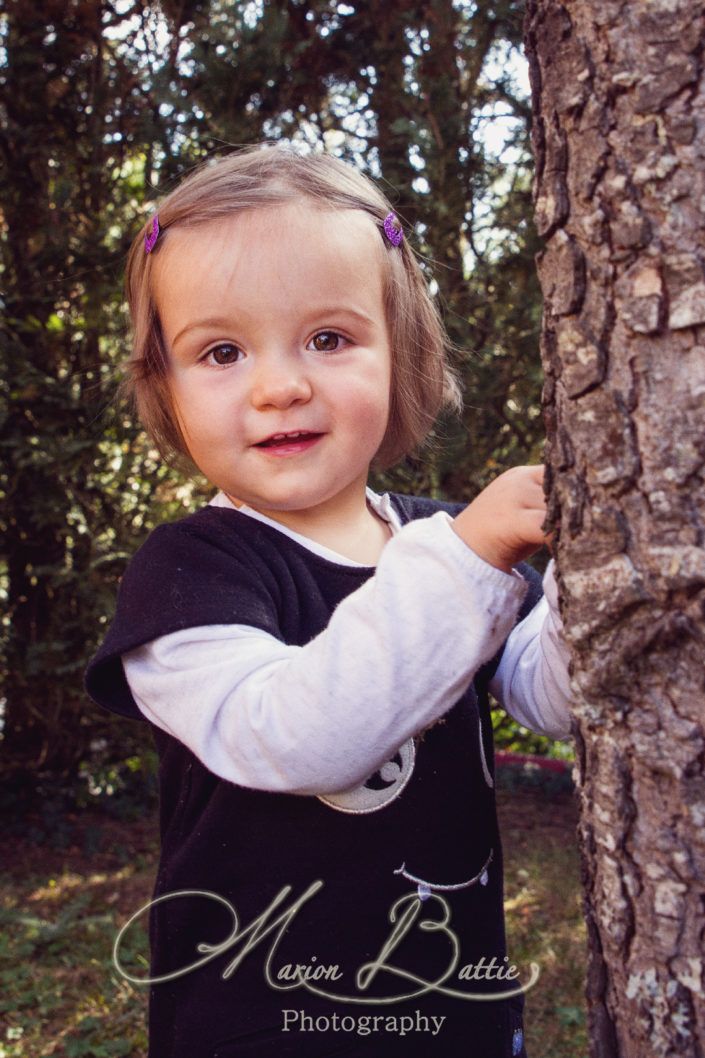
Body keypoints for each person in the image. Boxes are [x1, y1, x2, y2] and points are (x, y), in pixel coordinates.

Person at [85, 144, 574, 1058]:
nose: (281, 385)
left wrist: (592, 571)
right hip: (263, 1022)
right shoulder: (192, 570)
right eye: (222, 351)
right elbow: (293, 736)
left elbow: (550, 700)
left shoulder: (437, 540)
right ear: (166, 386)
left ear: (402, 354)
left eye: (329, 338)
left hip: (450, 1007)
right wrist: (470, 556)